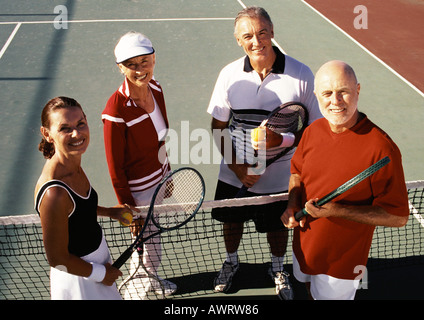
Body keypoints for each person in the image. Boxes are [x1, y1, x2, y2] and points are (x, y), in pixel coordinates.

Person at [207, 6, 322, 300]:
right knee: (231, 222)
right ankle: (232, 262)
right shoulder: (229, 75)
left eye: (262, 33)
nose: (256, 41)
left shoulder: (301, 74)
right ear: (238, 41)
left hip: (280, 174)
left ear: (272, 33)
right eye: (247, 36)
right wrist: (237, 168)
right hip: (234, 172)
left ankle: (277, 267)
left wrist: (281, 140)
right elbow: (218, 125)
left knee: (277, 225)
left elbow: (314, 130)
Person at [281, 60, 410, 300]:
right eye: (328, 93)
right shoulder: (313, 130)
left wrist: (337, 210)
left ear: (358, 91)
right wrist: (292, 203)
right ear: (316, 95)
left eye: (344, 92)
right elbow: (297, 172)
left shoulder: (382, 149)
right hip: (305, 247)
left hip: (341, 265)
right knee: (308, 291)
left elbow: (399, 217)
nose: (336, 101)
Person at [34, 96, 136, 300]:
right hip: (79, 281)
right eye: (65, 128)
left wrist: (109, 212)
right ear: (47, 134)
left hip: (96, 264)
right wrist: (101, 274)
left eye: (81, 123)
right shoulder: (55, 193)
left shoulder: (72, 164)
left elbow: (76, 209)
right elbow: (57, 259)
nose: (76, 133)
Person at [101, 31, 176, 299]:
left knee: (152, 240)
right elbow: (115, 165)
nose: (140, 69)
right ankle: (136, 290)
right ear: (120, 67)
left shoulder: (156, 88)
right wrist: (127, 206)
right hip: (138, 191)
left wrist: (167, 175)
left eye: (145, 61)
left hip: (159, 178)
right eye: (131, 64)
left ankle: (151, 279)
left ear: (154, 59)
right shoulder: (115, 110)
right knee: (144, 241)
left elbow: (161, 137)